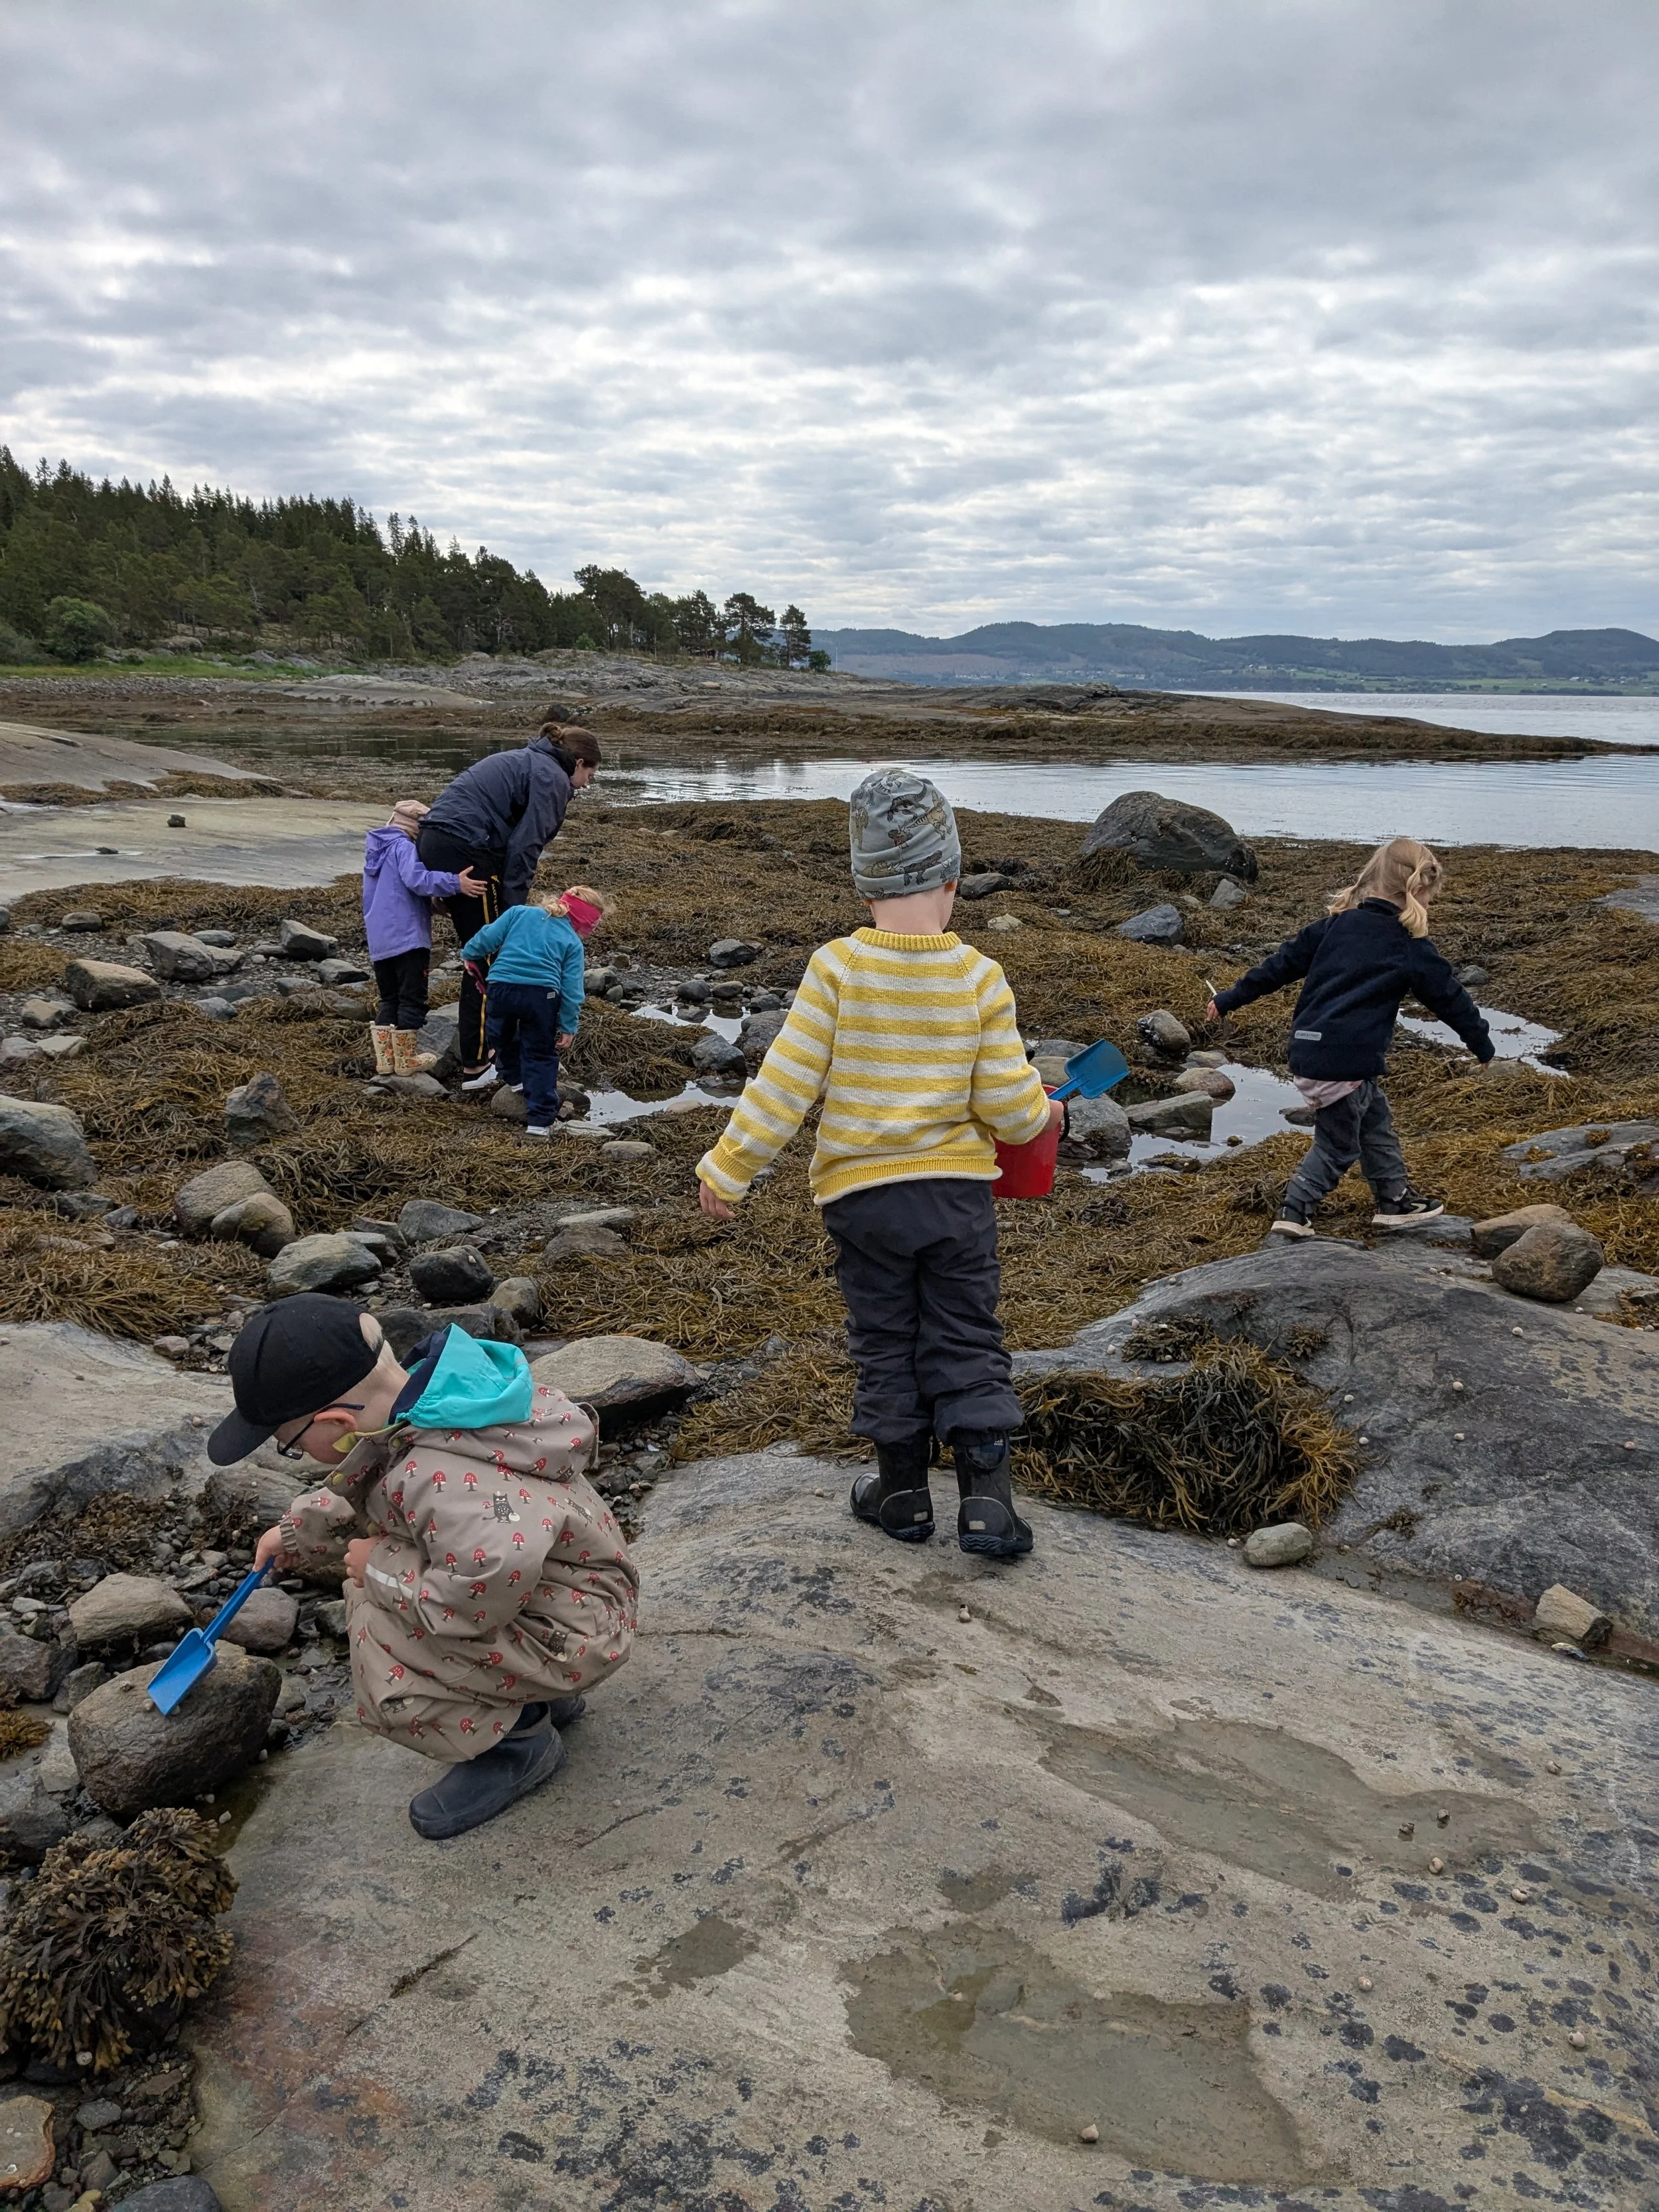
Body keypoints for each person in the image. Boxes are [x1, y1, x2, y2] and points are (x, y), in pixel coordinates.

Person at [694, 766, 1061, 1560]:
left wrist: (727, 1166)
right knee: (965, 1334)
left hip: (861, 1198)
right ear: (953, 882)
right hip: (956, 1198)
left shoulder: (838, 968)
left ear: (866, 890)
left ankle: (899, 1495)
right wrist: (1043, 1109)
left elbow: (785, 1083)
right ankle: (987, 1507)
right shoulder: (977, 977)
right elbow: (1010, 1109)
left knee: (885, 1338)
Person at [208, 1294, 638, 1841]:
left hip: (566, 1631)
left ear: (337, 1421)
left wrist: (379, 1568)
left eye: (287, 1444)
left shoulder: (445, 1477)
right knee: (384, 1568)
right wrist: (296, 1531)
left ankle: (518, 1741)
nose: (288, 1450)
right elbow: (373, 1469)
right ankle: (538, 1691)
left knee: (373, 1616)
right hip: (573, 1599)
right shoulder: (435, 1397)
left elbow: (469, 1598)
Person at [1206, 835, 1494, 1237]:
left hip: (1309, 1050)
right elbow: (1450, 999)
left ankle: (1395, 1199)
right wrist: (1480, 1043)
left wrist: (1229, 998)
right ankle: (1294, 1211)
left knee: (1375, 1123)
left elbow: (1277, 967)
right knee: (1338, 1146)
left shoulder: (1332, 927)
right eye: (1430, 896)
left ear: (1372, 880)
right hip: (1347, 1059)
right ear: (1419, 890)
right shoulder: (1409, 946)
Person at [417, 717, 602, 1084]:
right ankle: (478, 1059)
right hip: (468, 848)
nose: (587, 784)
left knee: (480, 944)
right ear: (579, 763)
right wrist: (515, 912)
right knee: (490, 957)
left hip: (437, 842)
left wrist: (441, 884)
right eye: (591, 775)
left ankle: (484, 1047)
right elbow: (524, 847)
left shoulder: (527, 758)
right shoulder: (552, 778)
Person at [461, 884, 608, 1135]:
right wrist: (568, 1025)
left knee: (500, 1036)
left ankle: (515, 1079)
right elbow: (572, 990)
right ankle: (540, 1123)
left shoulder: (519, 913)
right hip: (542, 996)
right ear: (583, 924)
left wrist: (469, 953)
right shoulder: (572, 941)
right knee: (540, 1055)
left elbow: (487, 937)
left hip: (502, 987)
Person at [361, 800, 487, 1076]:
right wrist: (457, 883)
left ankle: (387, 1060)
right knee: (411, 997)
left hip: (381, 941)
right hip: (407, 938)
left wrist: (432, 905)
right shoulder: (403, 846)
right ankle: (406, 1060)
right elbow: (416, 879)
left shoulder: (376, 851)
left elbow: (395, 891)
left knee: (389, 998)